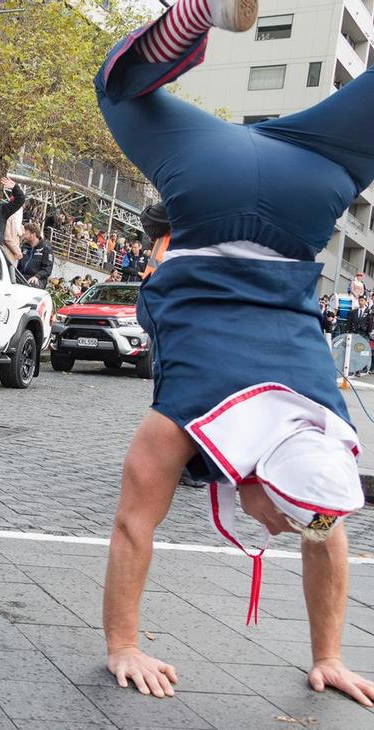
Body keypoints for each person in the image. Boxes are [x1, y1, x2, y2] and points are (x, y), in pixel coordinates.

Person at [95, 0, 374, 707]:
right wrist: (122, 647)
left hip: (299, 178)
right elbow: (133, 522)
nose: (283, 526)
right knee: (116, 89)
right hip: (247, 188)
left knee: (121, 88)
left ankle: (200, 11)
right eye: (286, 517)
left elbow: (325, 525)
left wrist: (331, 659)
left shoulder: (324, 423)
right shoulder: (183, 422)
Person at [17, 223, 53, 288]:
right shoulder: (24, 246)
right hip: (21, 275)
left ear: (33, 235)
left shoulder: (46, 248)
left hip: (38, 279)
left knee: (32, 284)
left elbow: (48, 269)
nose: (24, 236)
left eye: (26, 234)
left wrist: (37, 276)